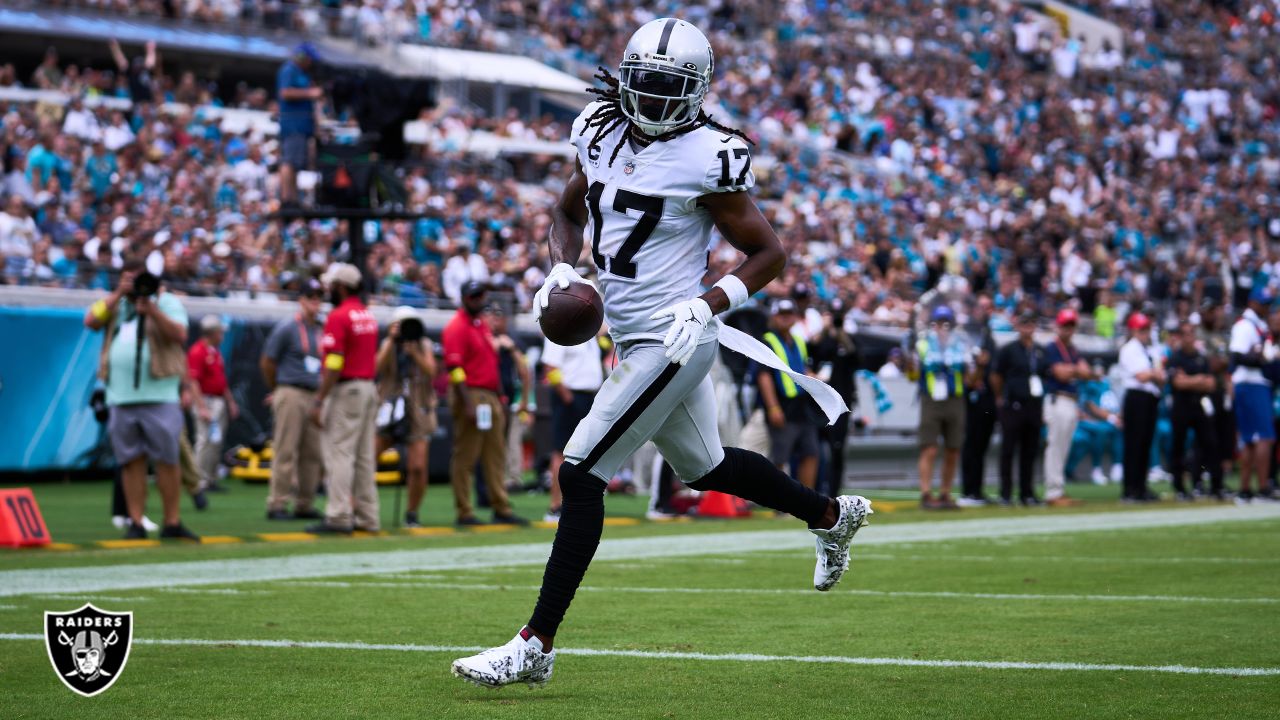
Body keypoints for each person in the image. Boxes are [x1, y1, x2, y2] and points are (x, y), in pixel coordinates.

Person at [451, 18, 870, 689]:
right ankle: (828, 514)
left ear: (697, 90)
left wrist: (710, 302)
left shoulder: (711, 156)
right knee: (703, 468)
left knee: (581, 471)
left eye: (667, 86)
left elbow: (769, 253)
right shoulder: (595, 128)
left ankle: (535, 645)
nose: (650, 95)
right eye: (643, 80)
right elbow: (566, 214)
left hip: (678, 336)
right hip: (632, 332)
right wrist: (561, 270)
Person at [83, 261, 198, 541]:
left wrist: (152, 310)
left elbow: (180, 334)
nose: (136, 287)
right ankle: (135, 521)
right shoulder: (116, 304)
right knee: (130, 460)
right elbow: (90, 321)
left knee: (167, 459)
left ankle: (172, 521)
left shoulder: (166, 301)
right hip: (121, 396)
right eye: (129, 280)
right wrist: (117, 295)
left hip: (160, 394)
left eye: (139, 281)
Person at [441, 281, 527, 527]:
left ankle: (501, 507)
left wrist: (499, 396)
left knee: (495, 454)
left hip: (489, 395)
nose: (479, 299)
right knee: (466, 455)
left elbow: (490, 363)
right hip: (472, 394)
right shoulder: (456, 327)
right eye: (474, 295)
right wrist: (467, 402)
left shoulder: (480, 325)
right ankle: (464, 511)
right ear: (465, 298)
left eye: (481, 295)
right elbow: (455, 369)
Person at [308, 263, 381, 534]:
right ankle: (368, 516)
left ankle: (338, 515)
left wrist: (319, 399)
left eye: (330, 286)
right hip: (367, 387)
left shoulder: (338, 316)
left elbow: (335, 363)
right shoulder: (367, 315)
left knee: (339, 452)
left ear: (340, 287)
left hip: (346, 389)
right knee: (363, 456)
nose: (327, 290)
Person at [260, 279, 325, 520]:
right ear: (301, 300)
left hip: (314, 392)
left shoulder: (322, 328)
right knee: (286, 448)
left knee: (312, 452)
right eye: (311, 297)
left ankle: (304, 504)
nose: (315, 302)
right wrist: (277, 388)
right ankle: (277, 503)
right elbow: (267, 361)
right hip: (291, 390)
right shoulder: (287, 328)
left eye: (319, 297)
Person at [376, 306, 438, 528]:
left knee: (418, 466)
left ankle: (412, 512)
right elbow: (377, 367)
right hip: (388, 408)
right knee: (368, 456)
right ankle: (359, 507)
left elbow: (431, 371)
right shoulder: (388, 344)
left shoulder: (424, 345)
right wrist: (392, 341)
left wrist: (414, 353)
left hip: (417, 409)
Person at [541, 320, 607, 522]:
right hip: (570, 396)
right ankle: (555, 505)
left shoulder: (588, 333)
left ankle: (577, 503)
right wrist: (566, 396)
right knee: (561, 451)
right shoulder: (560, 328)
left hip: (588, 396)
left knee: (586, 453)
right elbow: (550, 368)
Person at [909, 304, 973, 509]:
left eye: (947, 323)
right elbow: (912, 375)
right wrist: (909, 362)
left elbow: (971, 377)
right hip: (931, 399)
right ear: (932, 325)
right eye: (939, 323)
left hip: (955, 398)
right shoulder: (923, 344)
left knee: (953, 448)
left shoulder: (961, 345)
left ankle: (945, 492)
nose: (943, 327)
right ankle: (926, 493)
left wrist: (977, 365)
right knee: (929, 447)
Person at [756, 299, 822, 491]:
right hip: (782, 405)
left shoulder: (799, 341)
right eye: (782, 314)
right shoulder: (768, 340)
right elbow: (763, 375)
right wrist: (773, 407)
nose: (786, 318)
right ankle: (781, 503)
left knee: (811, 452)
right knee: (780, 457)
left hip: (802, 407)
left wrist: (813, 377)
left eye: (789, 314)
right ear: (774, 317)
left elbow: (802, 367)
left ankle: (807, 500)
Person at [991, 309, 1049, 506]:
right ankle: (1005, 493)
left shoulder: (1040, 350)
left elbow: (1045, 375)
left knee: (1030, 451)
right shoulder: (1008, 350)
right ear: (1018, 326)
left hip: (1033, 405)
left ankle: (1027, 492)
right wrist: (1000, 397)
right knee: (1008, 450)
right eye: (1024, 323)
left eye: (1031, 323)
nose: (1028, 327)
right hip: (1013, 405)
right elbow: (996, 376)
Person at [1167, 322, 1224, 501]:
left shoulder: (1201, 358)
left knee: (1210, 443)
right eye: (1185, 334)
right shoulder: (1176, 358)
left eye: (1192, 333)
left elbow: (1211, 383)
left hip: (1199, 404)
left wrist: (1190, 380)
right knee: (1178, 445)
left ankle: (1214, 485)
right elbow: (1177, 383)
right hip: (1181, 405)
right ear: (1180, 337)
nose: (1189, 338)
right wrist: (1198, 380)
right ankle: (1180, 487)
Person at [810, 297, 861, 498]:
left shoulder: (849, 340)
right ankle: (813, 489)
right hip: (818, 404)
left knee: (837, 450)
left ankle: (834, 492)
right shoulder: (821, 340)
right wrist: (825, 331)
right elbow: (811, 353)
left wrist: (842, 336)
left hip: (841, 405)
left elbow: (858, 359)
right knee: (813, 449)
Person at [1042, 308, 1094, 507]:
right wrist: (1076, 371)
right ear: (1058, 326)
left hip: (1071, 399)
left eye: (1071, 325)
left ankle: (1058, 489)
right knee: (1055, 445)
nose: (1068, 329)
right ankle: (1052, 491)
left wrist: (1073, 370)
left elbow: (1086, 372)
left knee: (1063, 446)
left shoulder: (1072, 349)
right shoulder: (1053, 348)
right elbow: (1061, 374)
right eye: (1065, 325)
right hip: (1058, 399)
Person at [1229, 288, 1275, 504]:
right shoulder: (1245, 326)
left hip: (1253, 383)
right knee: (1264, 437)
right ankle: (1263, 488)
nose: (1266, 307)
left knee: (1249, 439)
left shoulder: (1259, 325)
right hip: (1250, 383)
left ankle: (1246, 489)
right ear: (1252, 303)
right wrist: (1263, 358)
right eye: (1263, 303)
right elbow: (1237, 356)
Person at [188, 315, 239, 494]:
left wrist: (230, 401)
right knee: (204, 440)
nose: (222, 336)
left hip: (218, 401)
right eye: (219, 332)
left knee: (215, 441)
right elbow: (193, 381)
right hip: (206, 400)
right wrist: (201, 406)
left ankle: (210, 478)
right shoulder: (197, 351)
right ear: (211, 333)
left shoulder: (214, 352)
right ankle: (198, 481)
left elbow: (221, 380)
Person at [487, 305, 534, 498]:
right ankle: (498, 477)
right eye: (493, 317)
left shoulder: (515, 343)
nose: (495, 321)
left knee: (513, 439)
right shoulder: (487, 339)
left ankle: (514, 478)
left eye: (499, 318)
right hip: (493, 398)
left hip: (513, 400)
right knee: (496, 440)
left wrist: (525, 401)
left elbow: (525, 373)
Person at [1118, 313, 1165, 502]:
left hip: (1150, 398)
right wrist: (1154, 373)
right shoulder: (1129, 349)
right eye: (1141, 329)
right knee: (1134, 444)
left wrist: (1153, 374)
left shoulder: (1150, 350)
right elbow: (1142, 376)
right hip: (1136, 398)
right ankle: (1130, 488)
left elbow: (1159, 376)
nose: (1145, 332)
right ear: (1133, 330)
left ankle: (1141, 486)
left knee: (1145, 443)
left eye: (1146, 329)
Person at [959, 294, 997, 505]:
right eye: (982, 307)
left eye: (988, 307)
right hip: (970, 396)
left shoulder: (988, 336)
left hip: (986, 396)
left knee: (981, 444)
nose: (985, 311)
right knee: (971, 443)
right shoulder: (965, 335)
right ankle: (968, 490)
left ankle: (977, 489)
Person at [277, 43, 322, 206]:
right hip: (293, 124)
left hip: (302, 125)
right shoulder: (289, 70)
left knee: (296, 163)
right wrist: (310, 93)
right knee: (289, 161)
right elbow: (285, 92)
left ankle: (293, 198)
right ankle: (286, 197)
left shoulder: (303, 73)